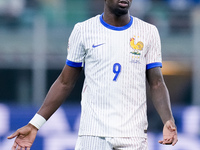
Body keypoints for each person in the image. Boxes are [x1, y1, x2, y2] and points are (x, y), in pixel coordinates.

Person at [8, 0, 178, 149]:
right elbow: (65, 82)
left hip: (133, 136)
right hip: (92, 135)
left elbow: (156, 83)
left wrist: (168, 120)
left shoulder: (149, 32)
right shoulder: (83, 30)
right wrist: (35, 124)